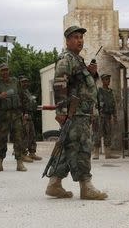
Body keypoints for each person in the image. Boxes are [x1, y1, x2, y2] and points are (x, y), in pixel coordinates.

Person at [45, 25, 107, 200]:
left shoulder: (77, 60)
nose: (80, 40)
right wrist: (61, 111)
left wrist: (91, 74)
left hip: (81, 112)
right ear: (68, 40)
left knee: (67, 147)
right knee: (82, 148)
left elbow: (80, 84)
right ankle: (86, 186)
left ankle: (54, 183)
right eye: (76, 37)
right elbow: (59, 85)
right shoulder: (66, 59)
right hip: (75, 113)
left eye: (81, 37)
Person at [0, 63, 27, 172]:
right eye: (2, 70)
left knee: (18, 138)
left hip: (16, 114)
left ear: (9, 71)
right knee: (2, 139)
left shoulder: (15, 82)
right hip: (3, 116)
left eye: (6, 70)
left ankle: (19, 162)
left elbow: (23, 96)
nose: (5, 72)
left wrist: (25, 113)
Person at [92, 74, 119, 159]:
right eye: (106, 79)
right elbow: (95, 103)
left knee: (108, 134)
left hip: (108, 116)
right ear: (102, 80)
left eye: (109, 79)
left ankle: (108, 153)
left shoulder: (111, 92)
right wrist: (94, 115)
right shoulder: (98, 91)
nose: (108, 81)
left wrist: (115, 117)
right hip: (100, 115)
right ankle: (96, 153)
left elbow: (113, 104)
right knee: (98, 134)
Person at [19, 76, 42, 161]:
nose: (25, 83)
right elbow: (19, 105)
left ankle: (32, 153)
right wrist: (23, 114)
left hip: (30, 115)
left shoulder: (27, 91)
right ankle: (22, 154)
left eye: (26, 81)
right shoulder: (19, 92)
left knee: (32, 135)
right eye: (23, 82)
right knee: (24, 135)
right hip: (23, 116)